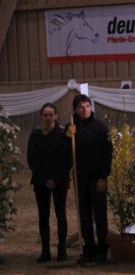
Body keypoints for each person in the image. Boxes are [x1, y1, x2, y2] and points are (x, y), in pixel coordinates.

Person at [66, 94, 112, 265]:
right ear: (76, 109)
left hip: (97, 178)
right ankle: (89, 250)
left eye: (87, 106)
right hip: (80, 178)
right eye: (81, 107)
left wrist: (103, 177)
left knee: (100, 215)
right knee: (84, 215)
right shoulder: (71, 127)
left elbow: (107, 153)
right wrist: (67, 136)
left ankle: (102, 250)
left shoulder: (100, 127)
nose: (84, 109)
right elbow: (66, 151)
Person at [27, 103, 71, 263]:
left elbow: (68, 159)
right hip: (41, 181)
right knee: (43, 215)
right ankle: (45, 250)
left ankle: (62, 249)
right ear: (41, 116)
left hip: (60, 181)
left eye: (51, 114)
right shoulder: (35, 135)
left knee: (61, 214)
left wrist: (55, 179)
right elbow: (32, 159)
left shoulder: (64, 134)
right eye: (45, 115)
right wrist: (45, 179)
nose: (48, 118)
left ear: (56, 116)